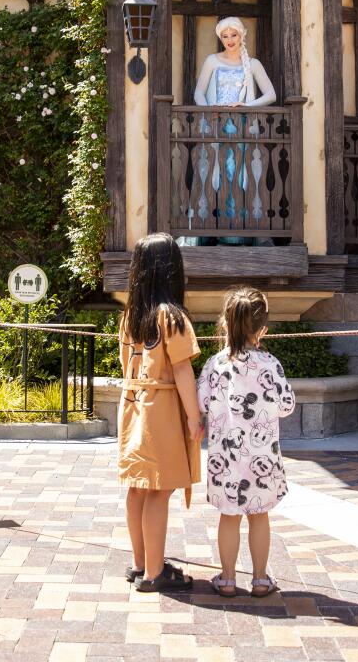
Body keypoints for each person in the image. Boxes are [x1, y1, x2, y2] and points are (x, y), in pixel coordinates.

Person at [118, 233, 204, 592]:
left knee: (138, 488)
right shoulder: (172, 317)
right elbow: (183, 371)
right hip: (162, 408)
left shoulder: (129, 316)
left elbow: (125, 363)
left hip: (132, 405)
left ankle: (140, 564)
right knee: (159, 489)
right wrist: (193, 416)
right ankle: (155, 573)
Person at [198, 287, 295, 598]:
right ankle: (260, 579)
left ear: (226, 324)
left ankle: (227, 578)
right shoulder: (270, 363)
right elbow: (286, 405)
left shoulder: (214, 364)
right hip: (262, 454)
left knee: (229, 516)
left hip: (225, 456)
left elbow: (202, 402)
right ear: (262, 329)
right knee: (258, 515)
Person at [186, 17, 277, 246]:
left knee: (242, 176)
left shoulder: (253, 64)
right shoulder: (212, 61)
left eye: (233, 35)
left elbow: (270, 95)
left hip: (243, 129)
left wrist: (247, 106)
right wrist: (210, 110)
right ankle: (205, 232)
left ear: (241, 36)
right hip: (216, 127)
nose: (229, 40)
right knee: (212, 175)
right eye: (225, 36)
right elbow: (198, 92)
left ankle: (238, 233)